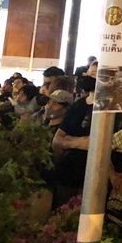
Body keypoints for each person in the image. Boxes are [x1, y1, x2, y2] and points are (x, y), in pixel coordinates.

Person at [52, 75, 96, 207]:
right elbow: (57, 139)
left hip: (94, 174)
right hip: (69, 171)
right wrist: (77, 142)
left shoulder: (111, 110)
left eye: (93, 73)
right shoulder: (78, 105)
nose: (88, 76)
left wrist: (70, 140)